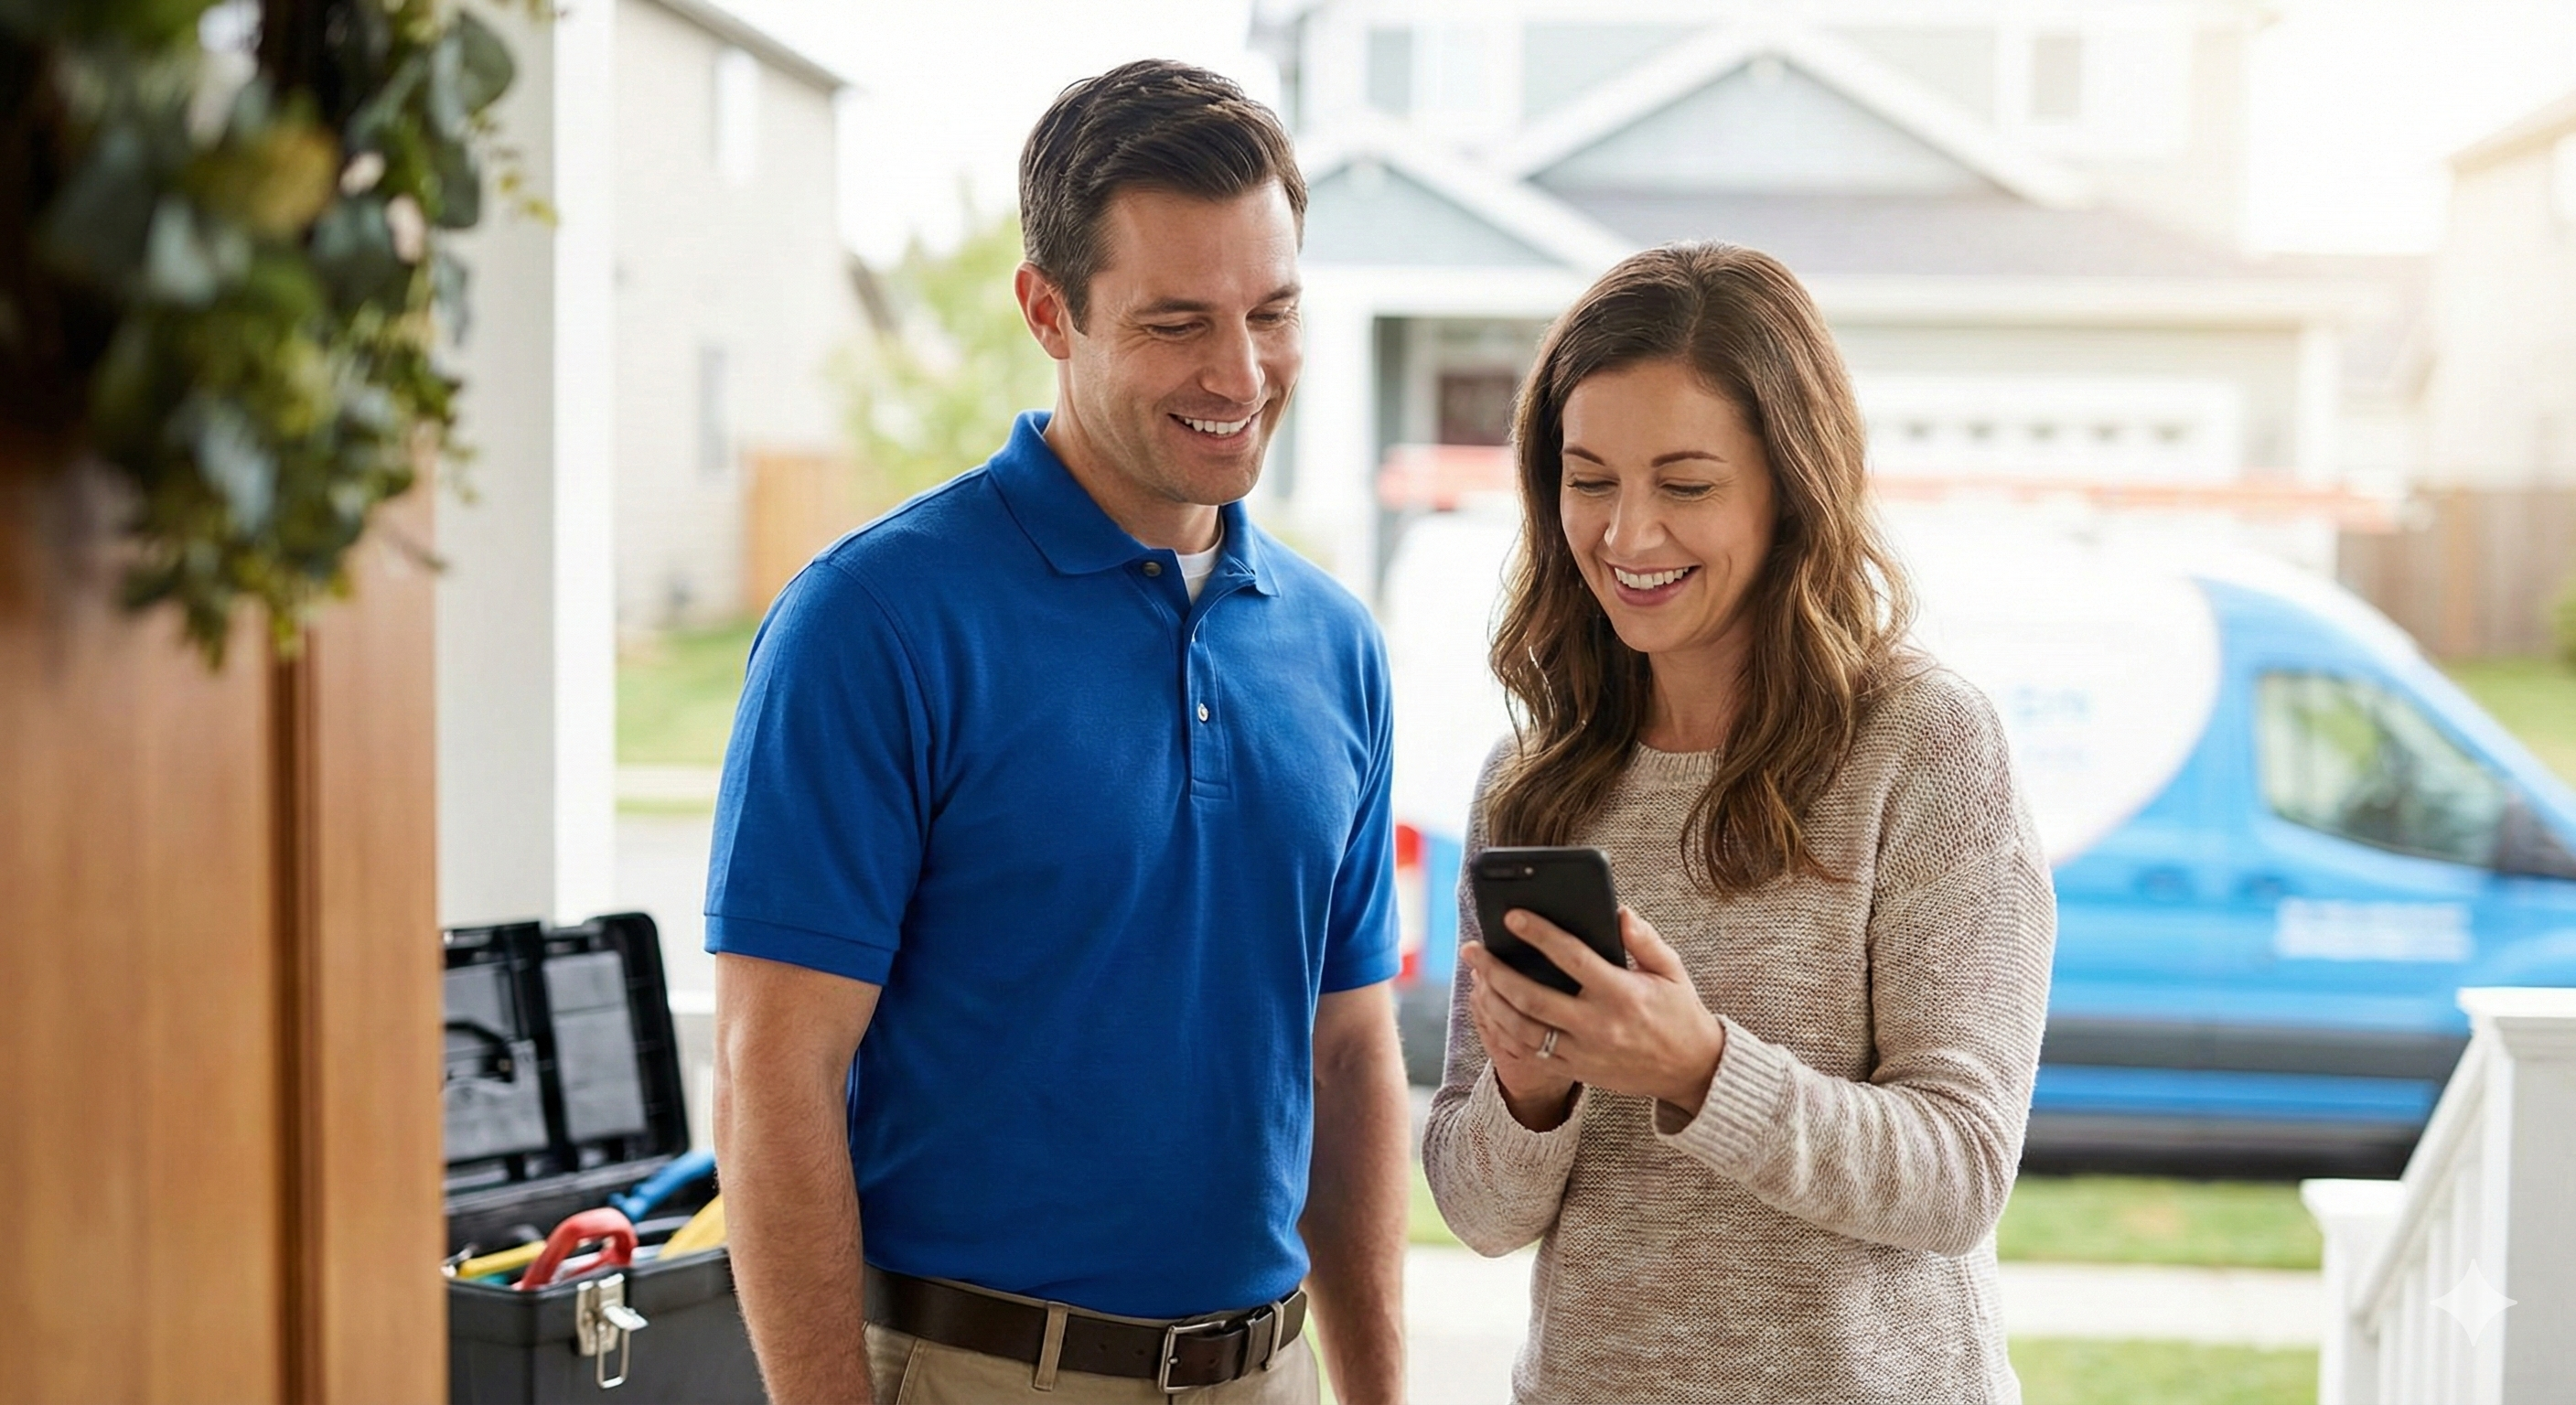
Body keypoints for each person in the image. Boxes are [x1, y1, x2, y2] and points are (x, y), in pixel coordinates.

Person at [704, 60, 1409, 1405]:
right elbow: (772, 1075)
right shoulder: (873, 622)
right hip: (978, 1375)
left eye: (1273, 312)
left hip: (1267, 1373)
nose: (1239, 371)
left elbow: (1348, 1053)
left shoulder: (1336, 645)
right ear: (1049, 311)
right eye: (1177, 323)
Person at [1421, 242, 2057, 1404]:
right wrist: (1530, 1093)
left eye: (1685, 483)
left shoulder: (1920, 745)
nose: (1624, 535)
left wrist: (1698, 1068)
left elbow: (1960, 1173)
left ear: (1789, 485)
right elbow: (1477, 1211)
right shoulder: (1530, 784)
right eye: (1589, 479)